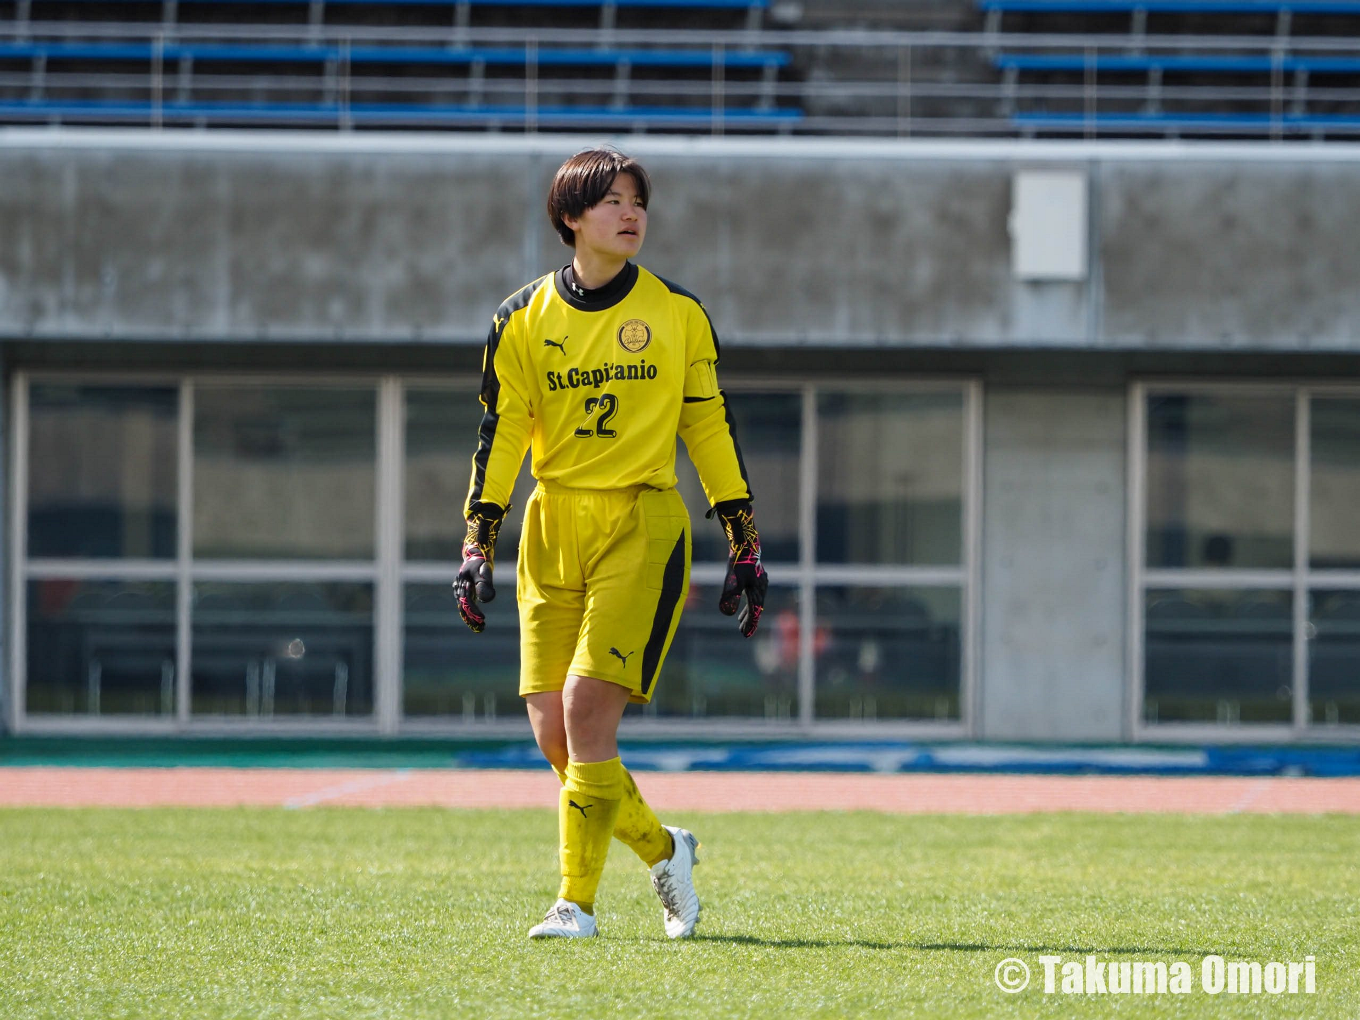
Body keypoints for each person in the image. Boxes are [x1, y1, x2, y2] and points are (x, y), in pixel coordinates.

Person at [455, 147, 768, 940]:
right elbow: (502, 435)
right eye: (612, 202)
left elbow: (709, 427)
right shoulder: (520, 318)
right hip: (551, 525)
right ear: (571, 217)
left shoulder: (678, 312)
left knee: (588, 711)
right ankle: (667, 849)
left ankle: (575, 904)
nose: (631, 215)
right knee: (556, 737)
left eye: (638, 202)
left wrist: (745, 543)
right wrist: (477, 541)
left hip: (641, 522)